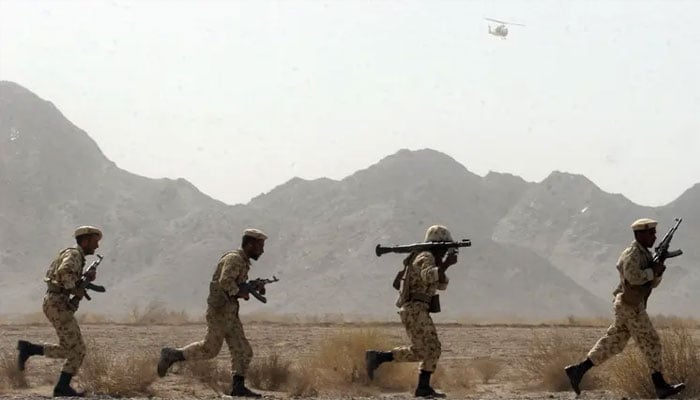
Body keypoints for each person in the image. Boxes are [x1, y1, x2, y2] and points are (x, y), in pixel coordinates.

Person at [564, 218, 685, 399]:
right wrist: (653, 270)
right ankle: (660, 385)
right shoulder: (632, 254)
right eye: (650, 233)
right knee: (651, 341)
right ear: (639, 234)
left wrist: (658, 269)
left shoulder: (645, 254)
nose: (654, 236)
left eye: (654, 232)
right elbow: (634, 277)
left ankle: (578, 370)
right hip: (630, 305)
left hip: (629, 304)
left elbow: (651, 284)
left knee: (614, 342)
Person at [157, 228, 268, 398]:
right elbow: (225, 282)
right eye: (260, 245)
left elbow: (235, 284)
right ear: (250, 244)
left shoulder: (243, 261)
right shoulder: (234, 259)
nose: (262, 250)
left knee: (243, 350)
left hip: (230, 313)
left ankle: (238, 387)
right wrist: (240, 292)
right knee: (210, 349)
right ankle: (172, 355)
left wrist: (251, 287)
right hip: (219, 312)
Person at [365, 225, 457, 398]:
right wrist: (445, 264)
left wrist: (445, 266)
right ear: (437, 245)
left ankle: (378, 358)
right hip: (415, 309)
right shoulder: (426, 256)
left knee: (423, 350)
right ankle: (422, 388)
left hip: (416, 309)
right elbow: (429, 276)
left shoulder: (428, 258)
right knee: (431, 348)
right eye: (444, 248)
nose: (445, 253)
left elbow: (441, 285)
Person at [17, 225, 103, 397]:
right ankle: (61, 387)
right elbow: (64, 272)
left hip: (57, 303)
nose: (97, 246)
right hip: (57, 304)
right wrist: (75, 288)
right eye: (94, 242)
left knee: (70, 349)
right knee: (78, 350)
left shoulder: (76, 256)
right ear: (85, 240)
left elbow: (65, 276)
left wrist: (85, 280)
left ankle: (30, 349)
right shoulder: (74, 254)